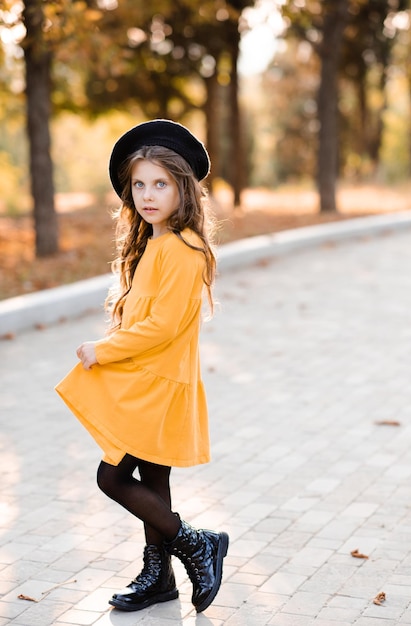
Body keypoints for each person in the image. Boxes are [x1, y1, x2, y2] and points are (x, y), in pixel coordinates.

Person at [55, 119, 229, 614]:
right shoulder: (156, 243)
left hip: (158, 385)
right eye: (139, 184)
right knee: (152, 482)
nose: (148, 195)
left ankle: (195, 542)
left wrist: (102, 349)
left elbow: (164, 326)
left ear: (183, 189)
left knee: (111, 478)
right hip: (151, 380)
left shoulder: (183, 249)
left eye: (161, 184)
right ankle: (159, 578)